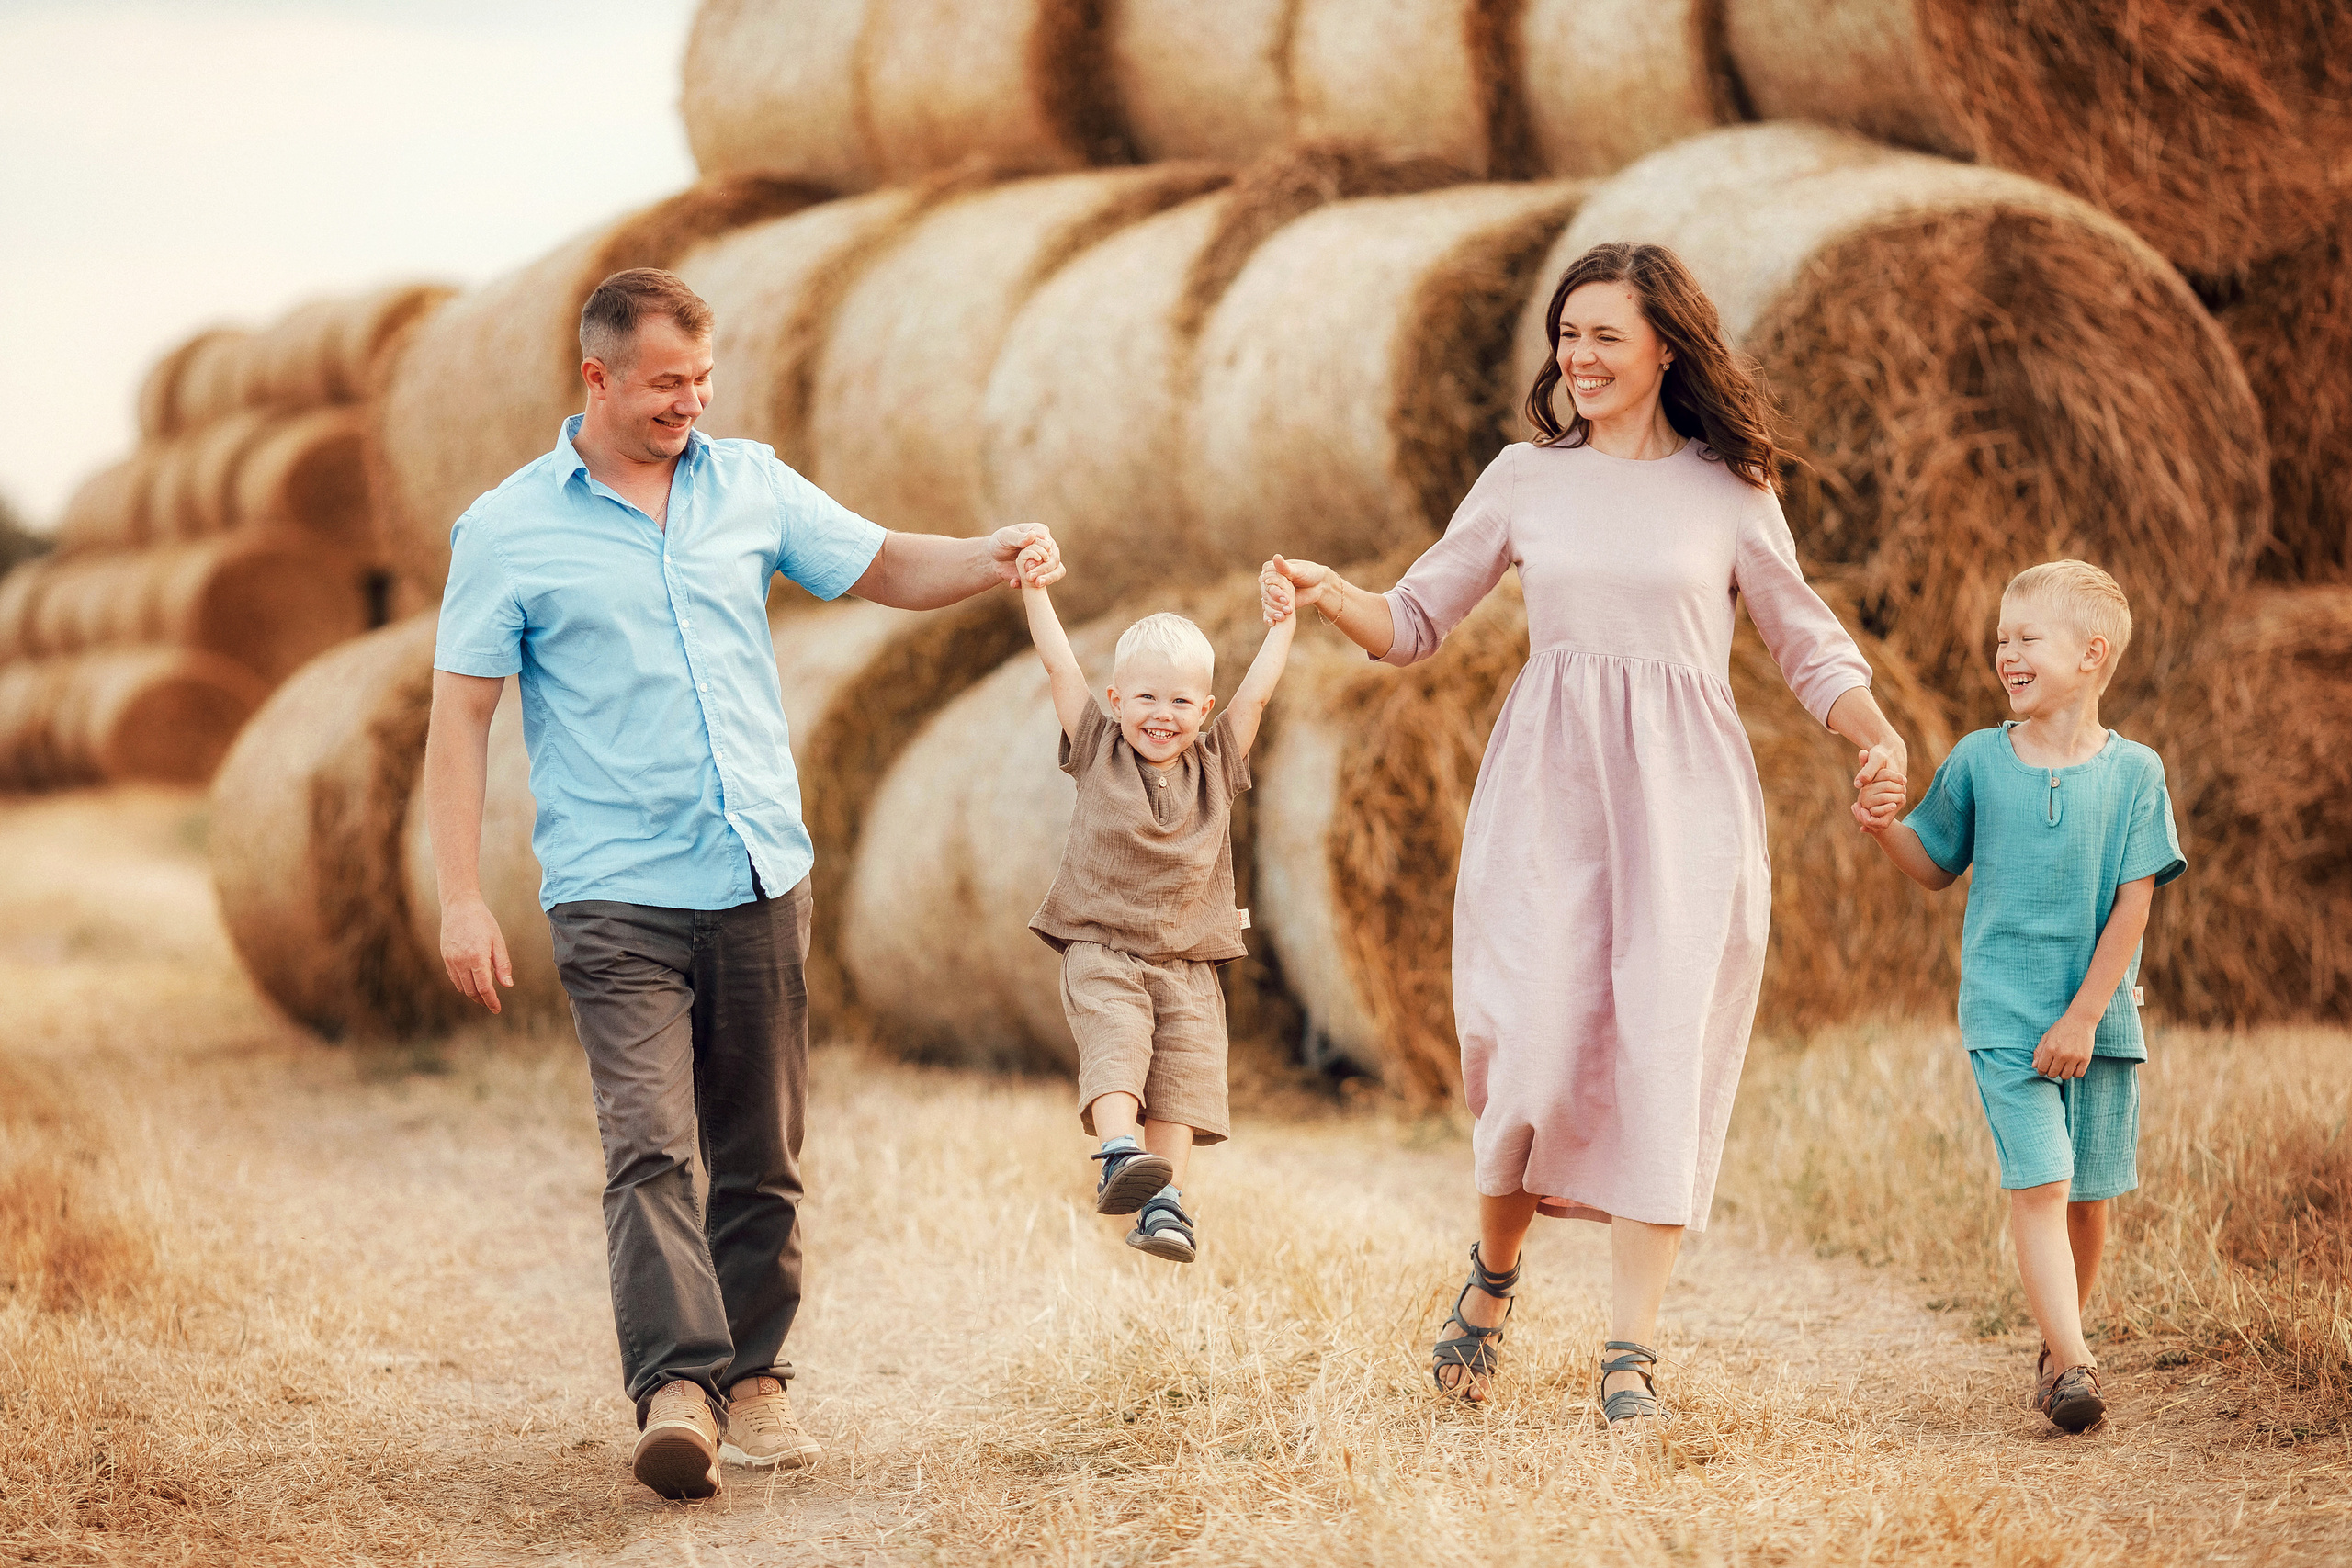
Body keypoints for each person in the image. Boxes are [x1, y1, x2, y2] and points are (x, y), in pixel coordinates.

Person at [421, 267, 1064, 1500]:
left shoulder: (747, 480)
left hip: (760, 868)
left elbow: (879, 563)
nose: (692, 403)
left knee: (761, 1148)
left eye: (704, 379)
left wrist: (991, 555)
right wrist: (459, 891)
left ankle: (757, 1373)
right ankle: (675, 1384)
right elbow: (461, 718)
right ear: (597, 376)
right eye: (668, 383)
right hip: (613, 888)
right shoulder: (506, 529)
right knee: (649, 1145)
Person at [1261, 242, 1908, 1431]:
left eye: (1606, 334)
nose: (1581, 355)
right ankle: (1495, 1274)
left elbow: (1808, 642)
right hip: (1548, 798)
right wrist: (1326, 590)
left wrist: (1875, 733)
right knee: (1533, 1050)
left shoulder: (1732, 488)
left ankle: (1630, 1352)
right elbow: (1413, 622)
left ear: (1668, 344)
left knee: (1661, 1052)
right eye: (1569, 335)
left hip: (1686, 804)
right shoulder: (1524, 477)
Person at [1857, 559, 2183, 1434]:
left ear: (2091, 653)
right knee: (2041, 1178)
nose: (2007, 652)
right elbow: (1932, 866)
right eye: (2002, 639)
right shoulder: (1976, 760)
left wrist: (2084, 1016)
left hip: (2100, 1019)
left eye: (2027, 638)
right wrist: (1885, 823)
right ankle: (2075, 1363)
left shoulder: (2135, 774)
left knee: (2089, 1195)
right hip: (2004, 1013)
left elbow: (2135, 905)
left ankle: (2055, 1343)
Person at [1015, 543, 1299, 1263]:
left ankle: (1163, 1202)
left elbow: (1258, 695)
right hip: (1103, 947)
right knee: (1118, 1041)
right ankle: (1117, 1152)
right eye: (1145, 697)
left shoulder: (1217, 762)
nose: (1162, 714)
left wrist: (1283, 626)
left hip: (1189, 959)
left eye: (1180, 701)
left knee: (1185, 1077)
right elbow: (1058, 666)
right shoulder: (1096, 746)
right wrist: (1035, 590)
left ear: (1204, 709)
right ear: (1116, 702)